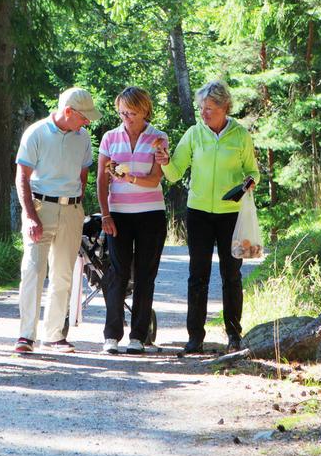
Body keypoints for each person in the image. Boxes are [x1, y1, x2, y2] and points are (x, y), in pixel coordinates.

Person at [155, 80, 259, 354]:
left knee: (231, 275)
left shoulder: (240, 135)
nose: (204, 113)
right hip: (199, 213)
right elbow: (175, 172)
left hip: (231, 214)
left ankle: (234, 335)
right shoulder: (193, 134)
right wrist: (165, 161)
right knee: (197, 275)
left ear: (225, 107)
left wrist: (249, 182)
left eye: (210, 108)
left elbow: (253, 171)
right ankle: (195, 337)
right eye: (202, 108)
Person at [14, 87, 102, 354]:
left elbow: (83, 174)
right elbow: (22, 178)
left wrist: (76, 207)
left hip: (71, 211)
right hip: (40, 207)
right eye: (83, 117)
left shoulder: (83, 136)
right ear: (67, 112)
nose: (87, 122)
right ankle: (25, 336)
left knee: (64, 274)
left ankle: (53, 336)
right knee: (33, 271)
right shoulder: (36, 133)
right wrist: (30, 216)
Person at [97, 87, 168, 355]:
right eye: (123, 113)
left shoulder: (158, 137)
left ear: (144, 111)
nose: (126, 118)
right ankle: (111, 335)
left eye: (132, 113)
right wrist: (105, 214)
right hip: (119, 215)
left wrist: (130, 179)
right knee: (117, 273)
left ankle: (138, 336)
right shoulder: (109, 137)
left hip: (151, 214)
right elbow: (102, 179)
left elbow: (154, 179)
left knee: (145, 274)